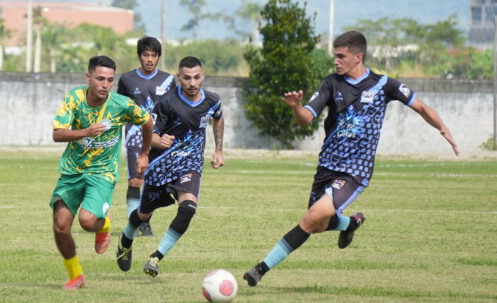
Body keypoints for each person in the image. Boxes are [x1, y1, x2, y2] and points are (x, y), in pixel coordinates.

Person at [242, 31, 460, 286]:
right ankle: (349, 224)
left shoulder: (384, 84)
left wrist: (442, 127)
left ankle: (260, 270)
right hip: (327, 166)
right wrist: (295, 107)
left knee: (310, 219)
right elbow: (306, 119)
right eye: (335, 56)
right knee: (319, 223)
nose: (335, 61)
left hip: (355, 171)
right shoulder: (331, 83)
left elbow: (421, 106)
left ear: (358, 57)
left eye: (340, 56)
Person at [115, 56, 225, 277]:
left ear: (203, 76)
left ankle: (156, 257)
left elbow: (218, 118)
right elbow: (150, 132)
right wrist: (157, 141)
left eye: (197, 77)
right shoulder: (166, 102)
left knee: (188, 209)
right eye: (186, 78)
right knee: (143, 214)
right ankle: (126, 239)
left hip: (190, 164)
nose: (192, 83)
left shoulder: (212, 100)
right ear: (179, 77)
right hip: (161, 165)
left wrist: (219, 149)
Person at [50, 55, 153, 290]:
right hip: (71, 172)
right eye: (100, 79)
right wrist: (85, 132)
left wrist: (144, 153)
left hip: (102, 173)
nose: (105, 85)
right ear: (88, 78)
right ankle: (76, 276)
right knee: (60, 226)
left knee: (87, 221)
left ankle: (103, 224)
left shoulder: (121, 105)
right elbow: (57, 134)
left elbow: (147, 122)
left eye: (109, 80)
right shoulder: (74, 99)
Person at [116, 36, 176, 237]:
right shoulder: (127, 79)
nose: (149, 59)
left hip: (160, 138)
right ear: (139, 56)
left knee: (154, 182)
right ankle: (137, 224)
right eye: (146, 55)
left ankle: (144, 219)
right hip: (135, 137)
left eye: (153, 55)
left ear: (158, 57)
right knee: (136, 181)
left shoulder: (168, 80)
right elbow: (119, 108)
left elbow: (174, 110)